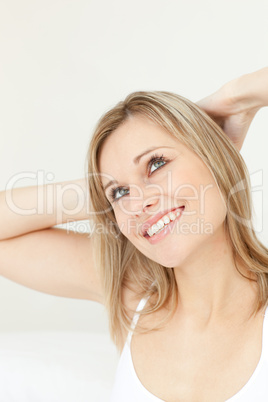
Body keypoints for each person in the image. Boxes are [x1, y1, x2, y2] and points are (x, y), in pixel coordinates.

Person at [0, 67, 267, 401]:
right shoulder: (134, 295)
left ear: (215, 156)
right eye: (120, 193)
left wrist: (236, 98)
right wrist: (102, 191)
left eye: (156, 164)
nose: (139, 203)